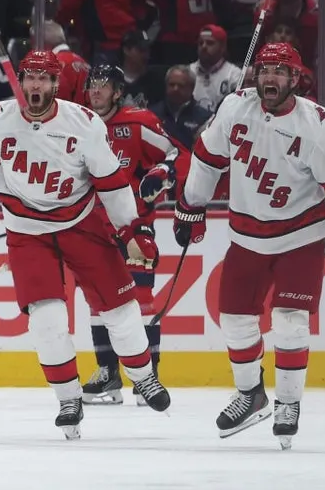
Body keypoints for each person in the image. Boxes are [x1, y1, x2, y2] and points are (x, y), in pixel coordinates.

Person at [0, 50, 171, 440]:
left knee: (121, 308)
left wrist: (131, 230)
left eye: (44, 78)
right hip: (26, 230)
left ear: (56, 84)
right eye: (29, 77)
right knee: (46, 319)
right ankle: (68, 399)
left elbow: (112, 183)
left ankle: (143, 375)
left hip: (80, 221)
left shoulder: (83, 123)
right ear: (20, 81)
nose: (35, 85)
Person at [175, 42, 325, 449]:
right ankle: (251, 395)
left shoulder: (317, 123)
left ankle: (287, 402)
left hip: (299, 236)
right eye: (264, 69)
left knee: (289, 319)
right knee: (234, 319)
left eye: (280, 71)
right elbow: (207, 158)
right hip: (246, 235)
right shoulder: (235, 108)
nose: (270, 77)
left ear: (296, 79)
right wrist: (190, 205)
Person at [79, 65, 185, 406]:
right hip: (92, 228)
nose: (96, 91)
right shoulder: (78, 124)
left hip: (134, 226)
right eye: (92, 85)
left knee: (140, 299)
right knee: (98, 300)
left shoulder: (138, 123)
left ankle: (148, 376)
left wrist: (161, 172)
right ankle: (108, 373)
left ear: (118, 92)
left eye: (104, 85)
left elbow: (176, 153)